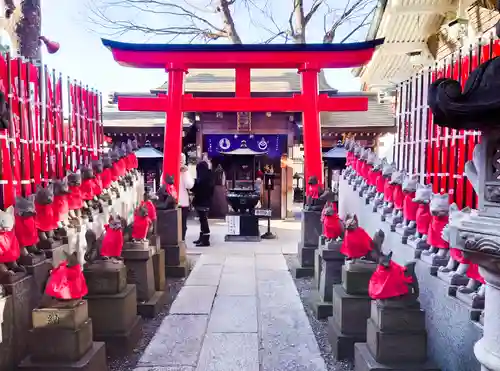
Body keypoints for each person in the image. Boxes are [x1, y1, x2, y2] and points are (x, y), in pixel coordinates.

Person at [160, 153, 194, 241]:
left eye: (182, 161)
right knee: (171, 224)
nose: (180, 163)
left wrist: (185, 173)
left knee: (183, 225)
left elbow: (189, 185)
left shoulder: (185, 171)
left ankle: (182, 241)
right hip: (170, 201)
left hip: (183, 202)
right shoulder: (168, 169)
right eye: (179, 160)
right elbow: (162, 184)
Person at [191, 161, 214, 246]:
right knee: (202, 220)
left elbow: (196, 188)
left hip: (201, 201)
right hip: (206, 201)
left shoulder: (202, 179)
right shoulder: (209, 177)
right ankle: (202, 238)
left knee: (203, 220)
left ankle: (205, 240)